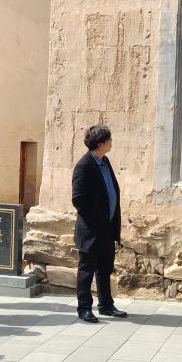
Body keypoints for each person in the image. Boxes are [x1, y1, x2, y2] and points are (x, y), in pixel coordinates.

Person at [72, 124, 127, 323]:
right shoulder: (83, 166)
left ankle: (106, 305)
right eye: (109, 139)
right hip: (92, 230)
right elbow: (78, 200)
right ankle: (84, 308)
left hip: (107, 228)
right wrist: (96, 222)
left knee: (105, 269)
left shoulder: (105, 161)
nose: (112, 142)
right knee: (86, 271)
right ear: (101, 143)